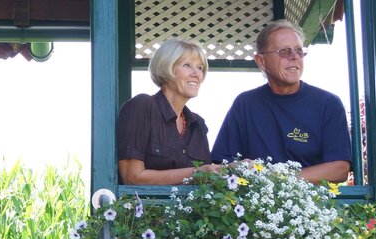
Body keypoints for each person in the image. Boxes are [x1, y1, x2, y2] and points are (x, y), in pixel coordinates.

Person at [210, 20, 352, 184]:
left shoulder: (328, 103)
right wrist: (240, 168)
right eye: (284, 51)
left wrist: (278, 180)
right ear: (261, 61)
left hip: (313, 206)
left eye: (299, 51)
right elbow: (222, 165)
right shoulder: (245, 104)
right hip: (254, 207)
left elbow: (339, 169)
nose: (294, 56)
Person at [117, 38, 221, 185]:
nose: (196, 74)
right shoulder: (142, 106)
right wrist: (196, 173)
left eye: (200, 68)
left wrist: (233, 169)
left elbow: (209, 181)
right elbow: (131, 177)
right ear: (167, 68)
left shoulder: (198, 124)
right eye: (187, 65)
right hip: (147, 207)